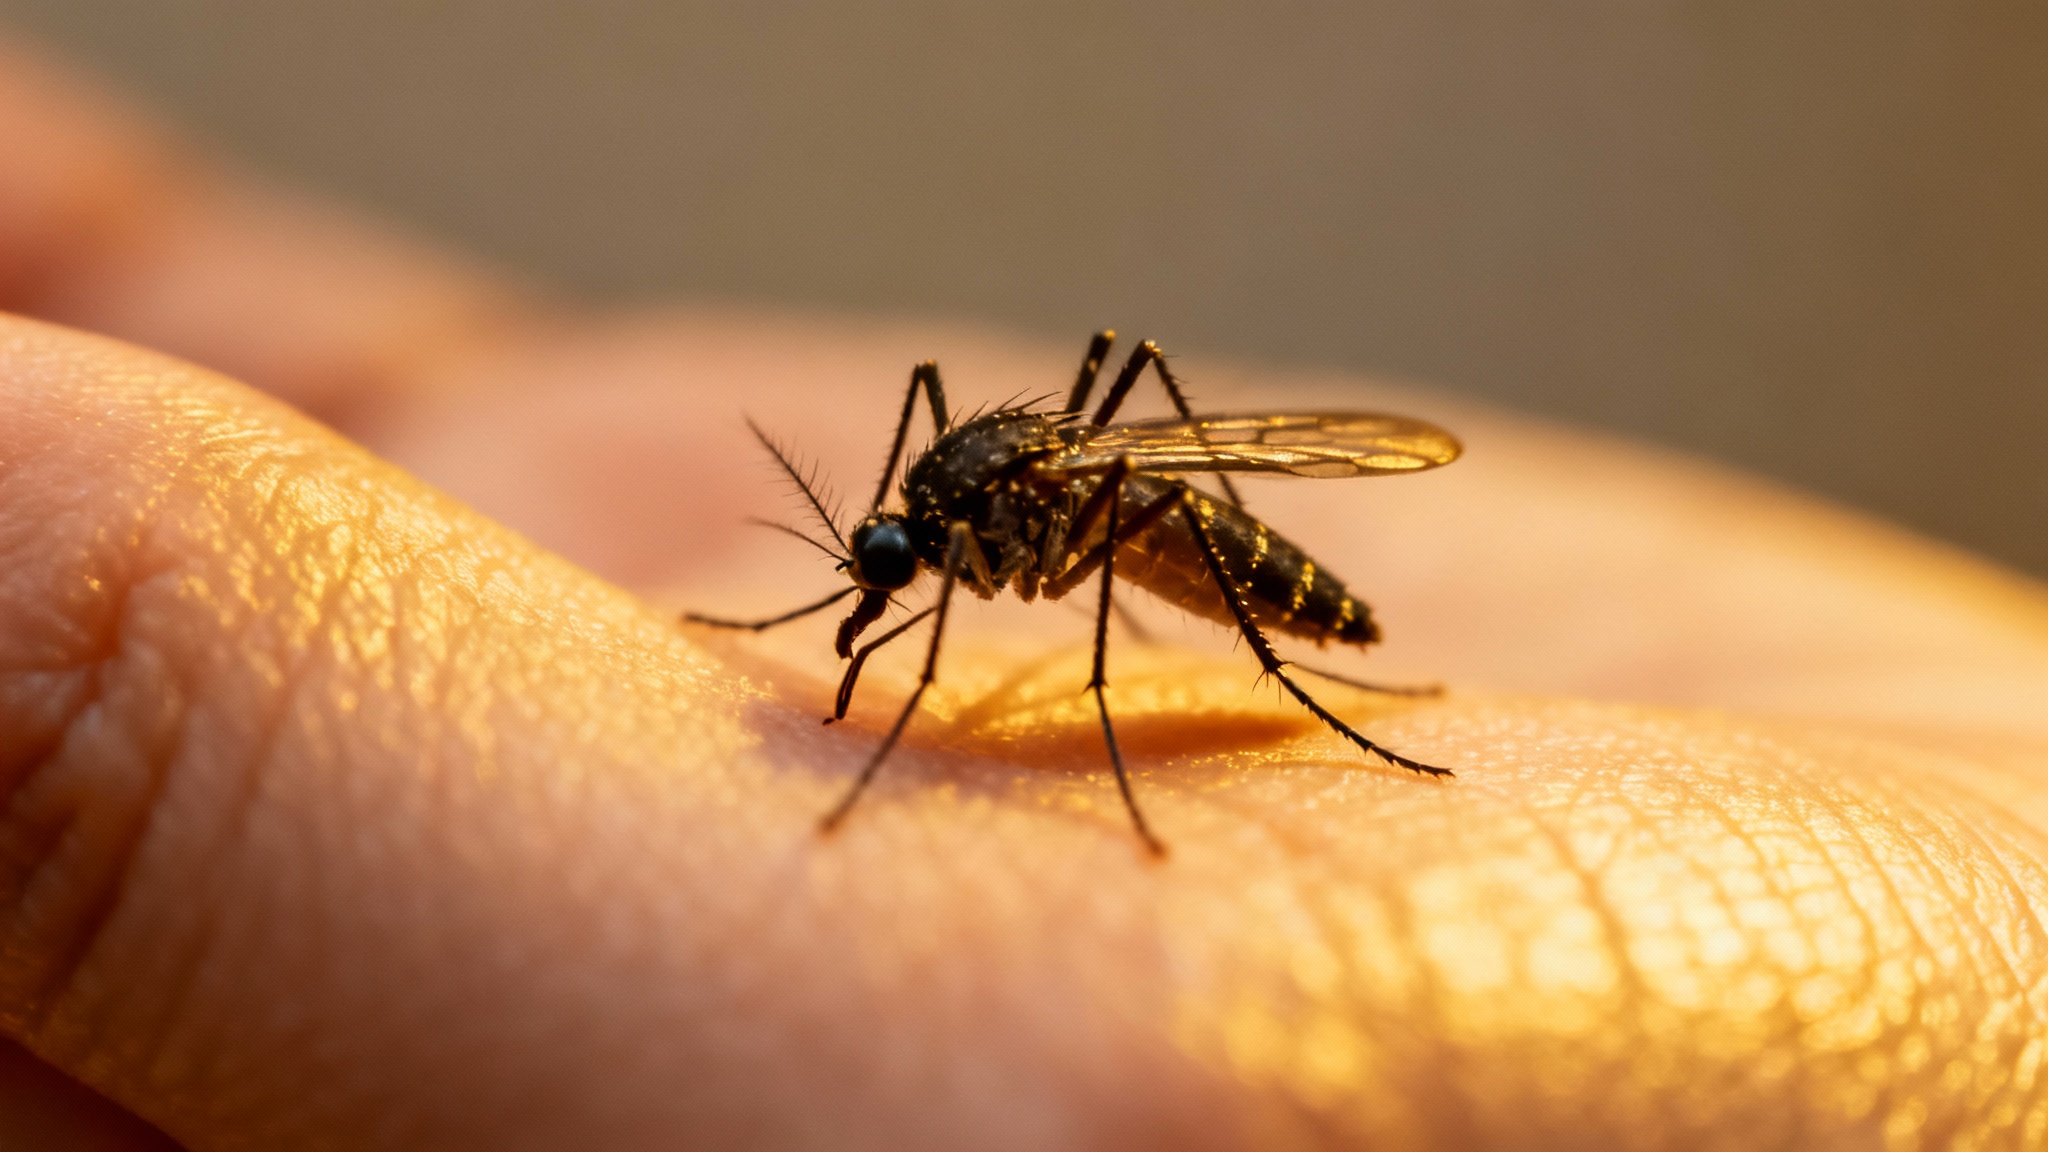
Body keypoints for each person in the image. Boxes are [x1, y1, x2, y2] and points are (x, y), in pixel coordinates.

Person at [2, 36, 2046, 1152]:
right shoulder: (922, 521)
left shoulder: (1028, 526)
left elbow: (1035, 566)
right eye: (878, 575)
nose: (876, 588)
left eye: (879, 575)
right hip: (1071, 497)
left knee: (1109, 541)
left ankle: (1290, 689)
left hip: (1200, 547)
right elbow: (903, 556)